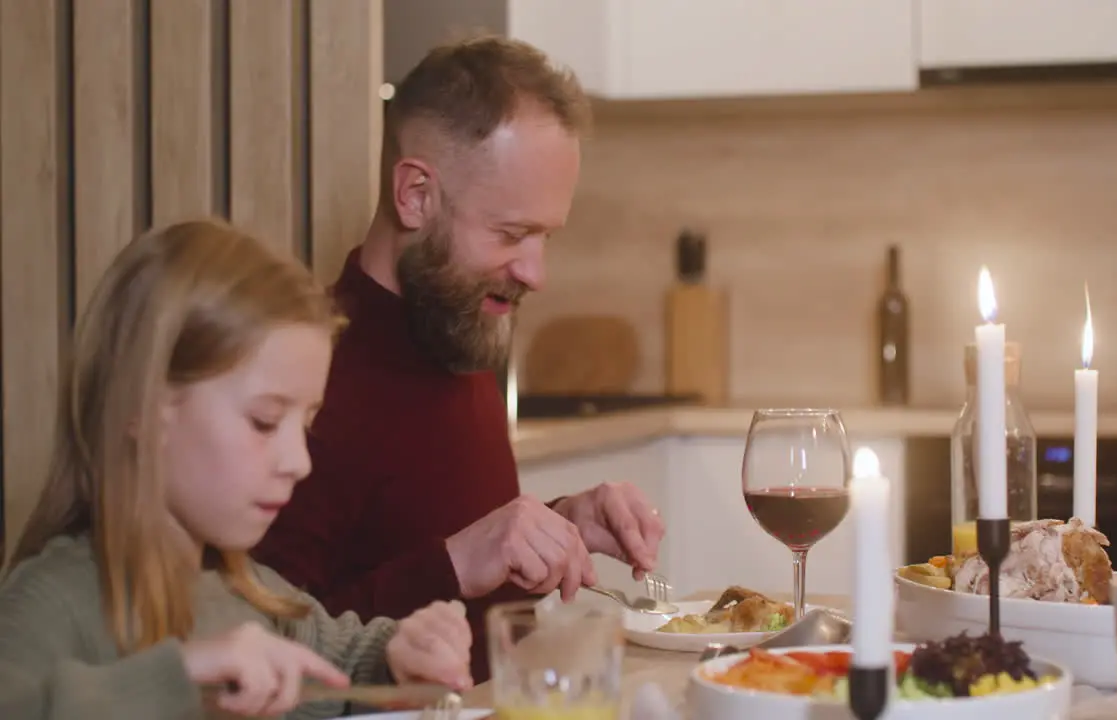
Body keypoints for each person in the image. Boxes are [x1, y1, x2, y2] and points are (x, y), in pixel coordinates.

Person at [252, 36, 665, 682]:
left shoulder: (458, 323)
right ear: (415, 194)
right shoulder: (309, 380)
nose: (537, 273)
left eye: (546, 236)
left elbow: (456, 563)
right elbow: (256, 648)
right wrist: (455, 564)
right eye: (511, 233)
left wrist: (558, 529)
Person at [0, 219, 473, 719]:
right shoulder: (49, 603)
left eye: (306, 425)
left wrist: (401, 654)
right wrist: (176, 680)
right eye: (264, 421)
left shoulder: (249, 591)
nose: (299, 462)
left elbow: (349, 661)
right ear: (141, 409)